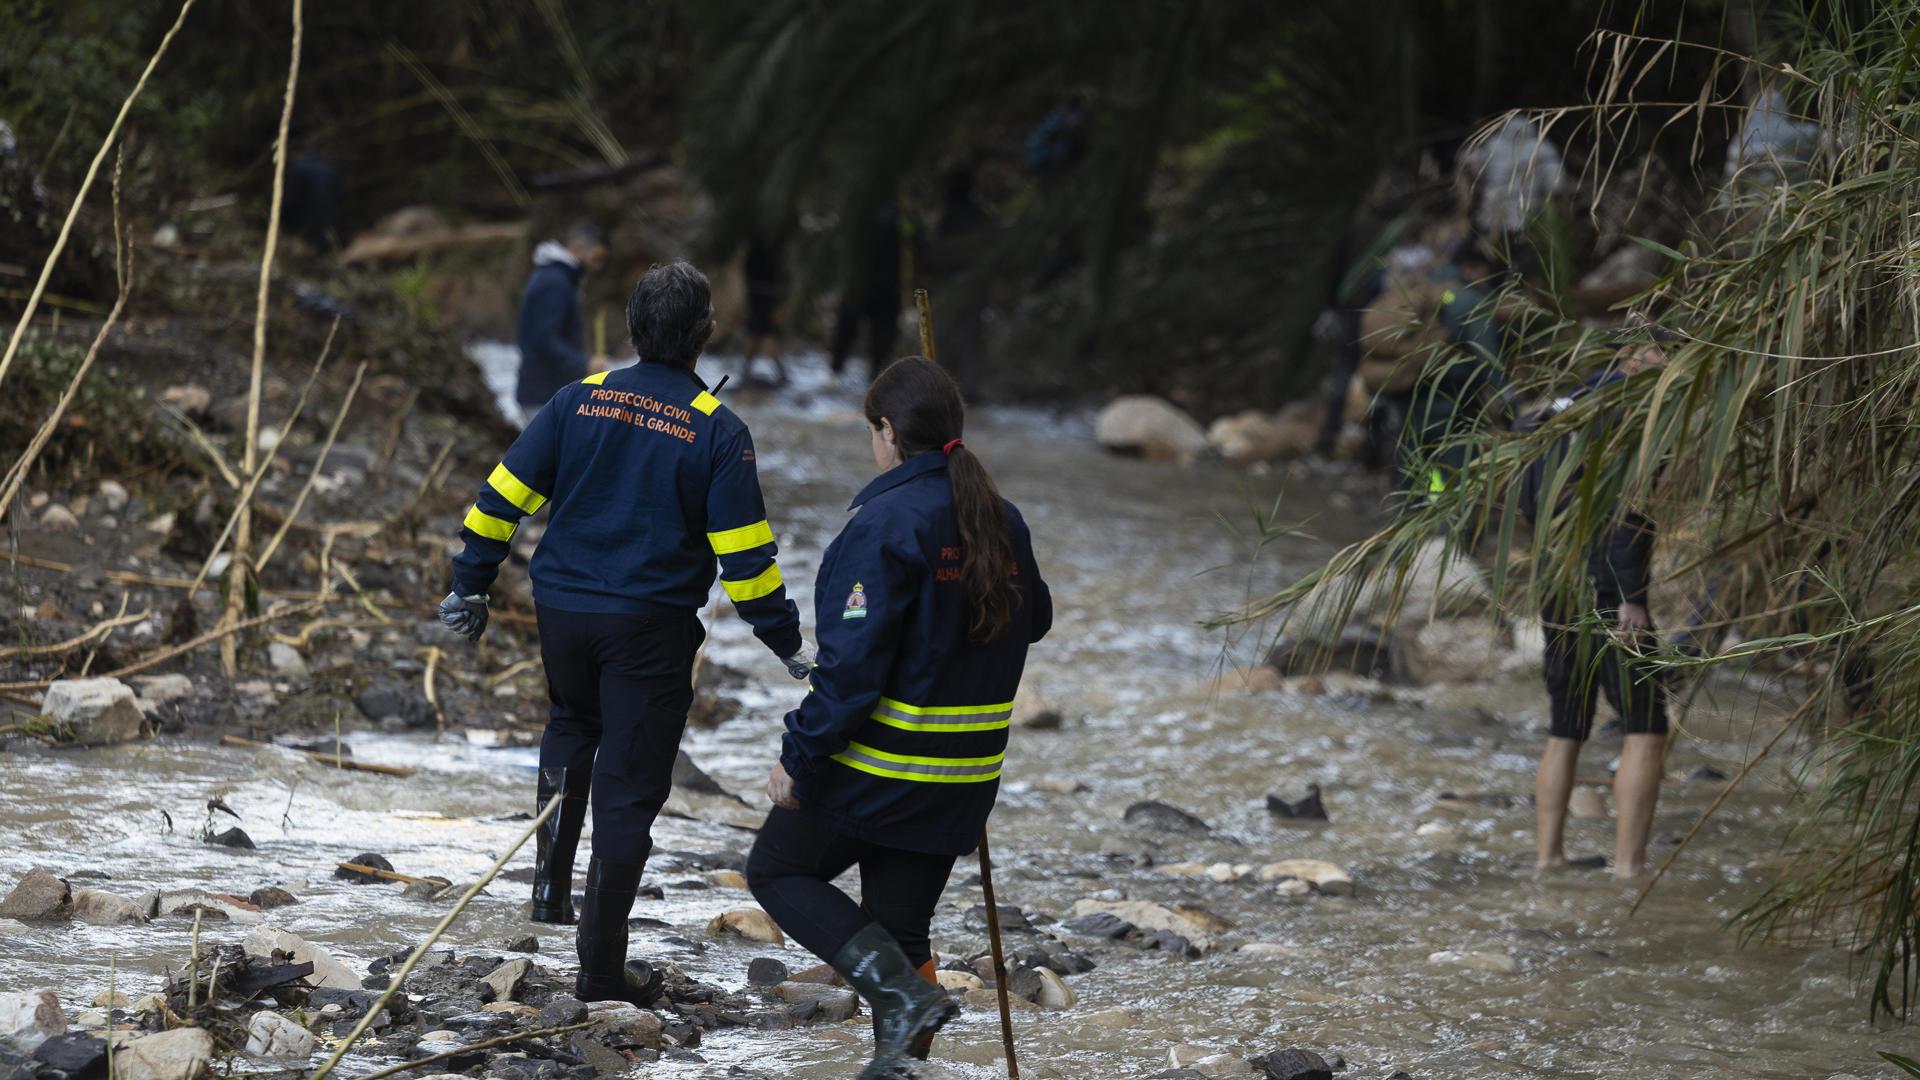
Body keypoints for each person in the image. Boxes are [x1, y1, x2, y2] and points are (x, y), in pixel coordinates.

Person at [437, 261, 814, 1003]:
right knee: (630, 785)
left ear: (632, 329)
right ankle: (601, 969)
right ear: (707, 333)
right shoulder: (719, 430)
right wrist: (789, 643)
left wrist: (470, 582)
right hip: (649, 626)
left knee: (570, 725)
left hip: (563, 610)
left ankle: (550, 894)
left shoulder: (577, 398)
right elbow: (745, 561)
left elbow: (501, 496)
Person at [746, 357, 1051, 1078]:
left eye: (872, 433)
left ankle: (898, 993)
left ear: (887, 431)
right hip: (964, 778)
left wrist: (798, 757)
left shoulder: (885, 523)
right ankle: (901, 1062)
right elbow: (1034, 620)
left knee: (777, 870)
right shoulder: (1000, 517)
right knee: (901, 926)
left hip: (882, 770)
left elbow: (850, 673)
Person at [1520, 332, 1674, 879]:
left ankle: (1548, 859)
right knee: (1645, 727)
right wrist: (1632, 597)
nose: (1671, 365)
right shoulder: (1628, 417)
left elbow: (1527, 503)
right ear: (1632, 355)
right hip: (1611, 590)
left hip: (1558, 584)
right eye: (1664, 353)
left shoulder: (1553, 413)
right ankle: (1629, 868)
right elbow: (1627, 513)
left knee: (1566, 726)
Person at [515, 220, 610, 420]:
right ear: (576, 248)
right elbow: (544, 340)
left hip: (548, 392)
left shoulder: (557, 278)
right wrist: (584, 364)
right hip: (543, 394)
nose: (598, 267)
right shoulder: (554, 282)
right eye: (596, 258)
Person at [828, 199, 903, 380]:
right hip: (880, 288)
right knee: (868, 333)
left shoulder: (897, 223)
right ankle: (868, 372)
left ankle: (842, 370)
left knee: (854, 330)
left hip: (875, 289)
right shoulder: (896, 222)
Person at [741, 229, 792, 387]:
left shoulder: (762, 241)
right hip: (764, 295)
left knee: (760, 334)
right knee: (763, 334)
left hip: (761, 295)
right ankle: (776, 371)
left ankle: (748, 370)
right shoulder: (770, 241)